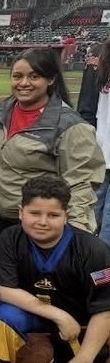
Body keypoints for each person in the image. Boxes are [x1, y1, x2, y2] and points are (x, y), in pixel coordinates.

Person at [0, 48, 104, 331]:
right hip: (0, 208)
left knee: (41, 273)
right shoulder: (0, 113)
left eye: (34, 76)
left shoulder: (69, 125)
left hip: (39, 215)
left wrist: (76, 226)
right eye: (17, 76)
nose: (23, 83)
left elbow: (81, 179)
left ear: (51, 79)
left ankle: (55, 325)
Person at [0, 176, 110, 363]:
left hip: (80, 318)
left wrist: (84, 360)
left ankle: (65, 354)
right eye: (34, 213)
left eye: (53, 215)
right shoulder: (10, 238)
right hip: (36, 312)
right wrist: (58, 315)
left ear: (66, 215)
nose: (43, 222)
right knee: (2, 320)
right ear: (20, 212)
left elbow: (105, 309)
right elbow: (4, 290)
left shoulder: (94, 250)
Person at [77, 37, 110, 244]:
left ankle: (89, 263)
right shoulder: (100, 68)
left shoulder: (100, 68)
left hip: (99, 149)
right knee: (103, 219)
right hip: (100, 147)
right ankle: (101, 269)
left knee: (93, 211)